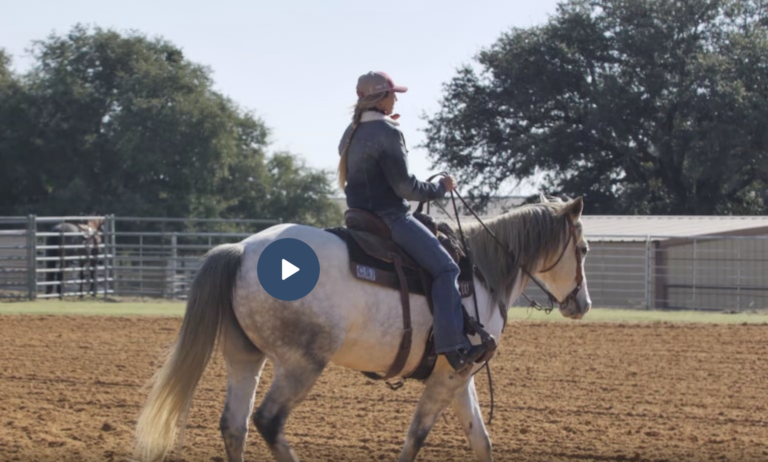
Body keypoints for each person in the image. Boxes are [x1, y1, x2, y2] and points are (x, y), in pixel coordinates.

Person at [337, 71, 488, 375]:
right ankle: (452, 346)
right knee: (447, 268)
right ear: (381, 98)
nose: (396, 98)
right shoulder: (388, 132)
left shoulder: (349, 133)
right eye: (393, 93)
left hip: (358, 216)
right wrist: (441, 188)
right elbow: (405, 188)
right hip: (390, 217)